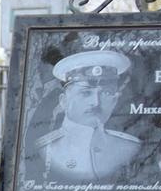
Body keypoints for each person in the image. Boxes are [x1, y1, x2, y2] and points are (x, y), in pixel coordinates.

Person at [38, 48, 141, 180]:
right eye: (85, 93)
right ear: (63, 101)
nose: (95, 102)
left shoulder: (130, 147)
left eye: (106, 93)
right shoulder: (45, 150)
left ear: (115, 101)